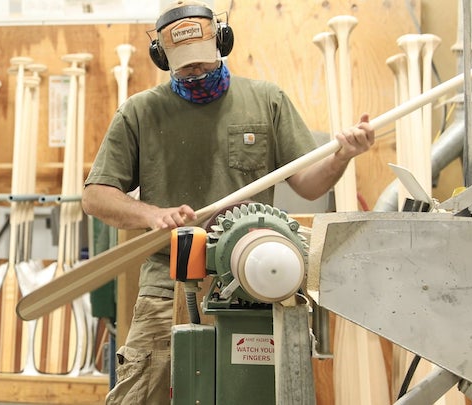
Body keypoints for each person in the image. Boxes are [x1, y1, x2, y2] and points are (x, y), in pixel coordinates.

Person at [81, 0, 375, 403]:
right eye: (182, 63)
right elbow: (95, 197)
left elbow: (308, 184)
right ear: (162, 58)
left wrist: (341, 156)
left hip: (254, 284)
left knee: (253, 395)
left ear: (222, 42)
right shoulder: (140, 113)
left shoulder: (267, 100)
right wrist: (151, 214)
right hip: (168, 286)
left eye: (201, 58)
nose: (194, 70)